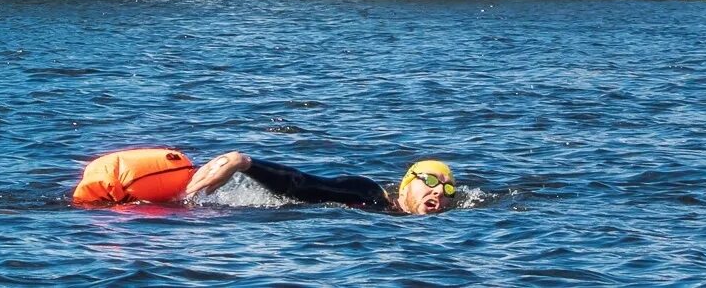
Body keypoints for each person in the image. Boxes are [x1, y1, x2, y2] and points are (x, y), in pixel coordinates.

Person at [72, 148, 456, 215]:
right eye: (429, 181)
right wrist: (244, 163)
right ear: (406, 183)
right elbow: (304, 185)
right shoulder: (368, 193)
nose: (437, 191)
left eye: (447, 189)